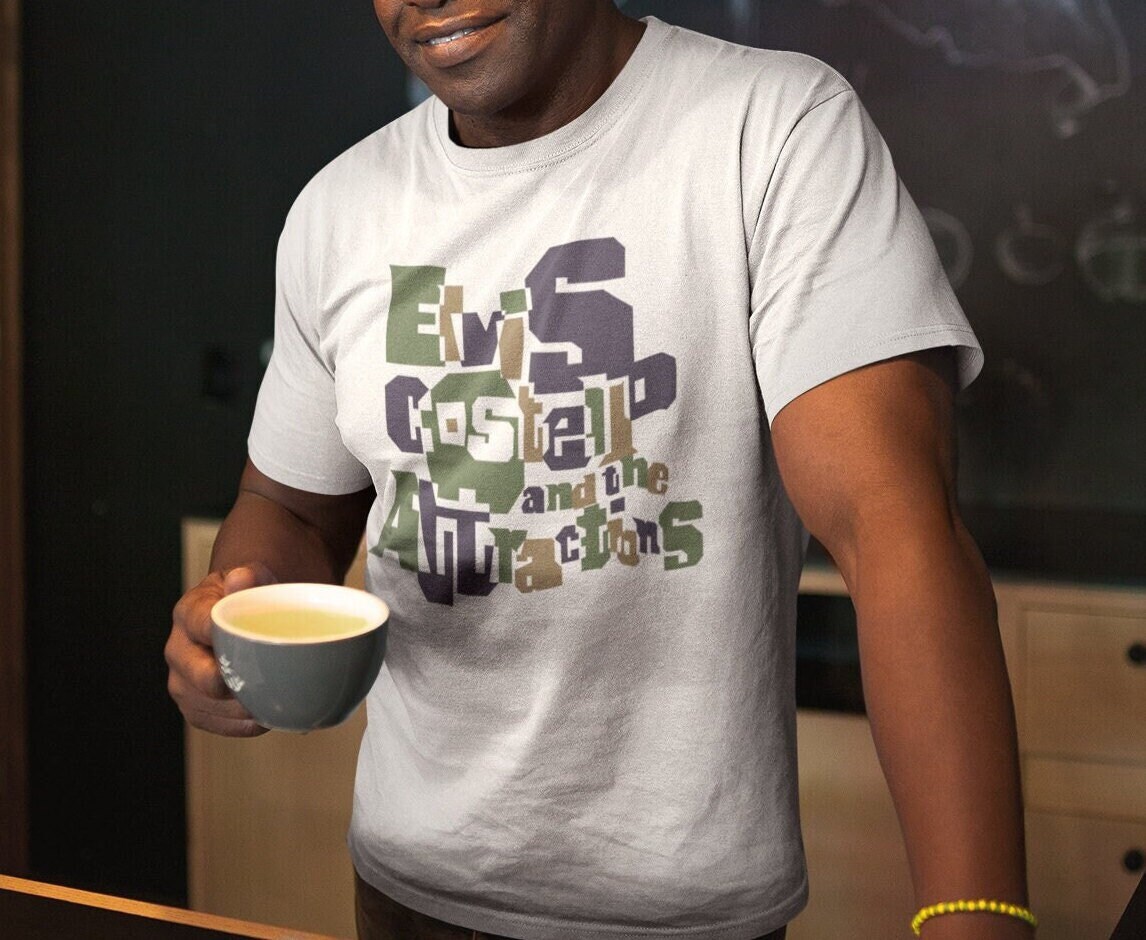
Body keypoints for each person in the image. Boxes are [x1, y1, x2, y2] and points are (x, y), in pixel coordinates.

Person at [166, 2, 1034, 938]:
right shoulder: (337, 209)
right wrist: (236, 621)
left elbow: (891, 524)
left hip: (686, 916)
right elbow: (291, 506)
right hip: (406, 892)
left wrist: (974, 915)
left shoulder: (773, 129)